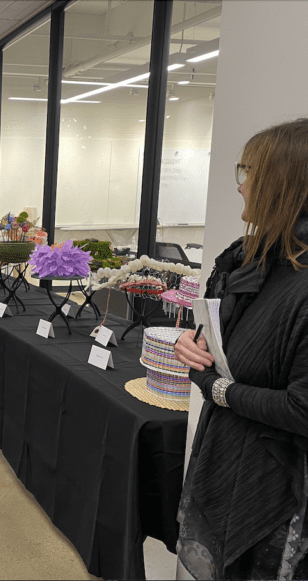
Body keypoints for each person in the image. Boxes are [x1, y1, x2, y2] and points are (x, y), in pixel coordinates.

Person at [174, 118, 308, 580]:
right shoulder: (247, 259)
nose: (241, 187)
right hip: (227, 457)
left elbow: (301, 408)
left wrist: (218, 389)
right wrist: (192, 351)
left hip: (278, 493)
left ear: (286, 184)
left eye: (250, 174)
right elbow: (213, 351)